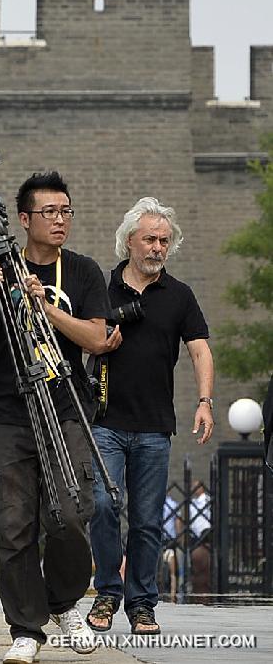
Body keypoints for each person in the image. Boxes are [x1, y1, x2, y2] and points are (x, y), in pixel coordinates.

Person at [0, 171, 109, 664]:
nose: (61, 220)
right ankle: (25, 628)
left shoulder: (84, 271)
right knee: (13, 523)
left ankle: (63, 602)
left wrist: (46, 310)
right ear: (23, 220)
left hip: (66, 407)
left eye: (67, 210)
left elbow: (95, 338)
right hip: (8, 412)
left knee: (70, 514)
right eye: (50, 212)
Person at [87, 197, 214, 636]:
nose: (158, 247)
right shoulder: (100, 288)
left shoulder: (179, 295)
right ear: (129, 242)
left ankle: (142, 604)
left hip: (155, 428)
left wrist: (204, 401)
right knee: (103, 505)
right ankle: (107, 589)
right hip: (104, 421)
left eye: (165, 240)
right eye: (150, 239)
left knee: (145, 520)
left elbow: (199, 347)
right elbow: (77, 339)